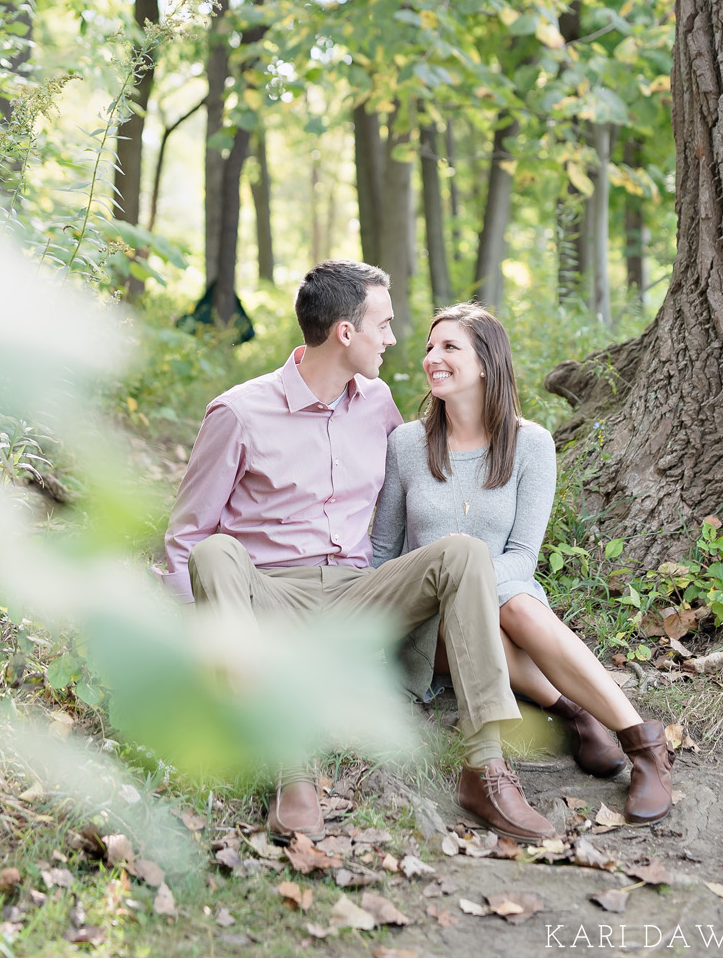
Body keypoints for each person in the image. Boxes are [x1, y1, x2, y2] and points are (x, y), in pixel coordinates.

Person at [164, 261, 557, 844]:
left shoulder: (378, 407)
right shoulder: (238, 412)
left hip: (357, 594)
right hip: (268, 596)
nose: (395, 340)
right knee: (215, 552)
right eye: (385, 325)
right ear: (346, 333)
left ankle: (485, 768)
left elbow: (431, 480)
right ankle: (288, 763)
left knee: (463, 552)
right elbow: (186, 537)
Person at [370, 303, 675, 826]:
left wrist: (477, 590)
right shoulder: (406, 444)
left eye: (449, 347)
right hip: (429, 620)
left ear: (486, 362)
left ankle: (642, 746)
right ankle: (574, 709)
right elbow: (383, 552)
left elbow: (523, 557)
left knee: (519, 609)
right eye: (428, 348)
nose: (432, 358)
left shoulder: (531, 444)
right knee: (493, 605)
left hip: (508, 600)